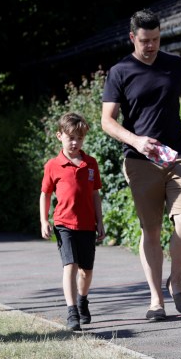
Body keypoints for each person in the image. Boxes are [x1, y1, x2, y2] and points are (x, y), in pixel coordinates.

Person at [100, 9, 181, 321]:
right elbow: (107, 121)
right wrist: (136, 141)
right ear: (132, 38)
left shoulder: (173, 65)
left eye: (156, 40)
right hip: (140, 161)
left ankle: (176, 281)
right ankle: (156, 299)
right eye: (145, 40)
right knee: (151, 230)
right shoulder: (120, 71)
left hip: (178, 156)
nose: (151, 46)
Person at [39, 112, 105, 332]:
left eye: (79, 138)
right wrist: (44, 220)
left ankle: (83, 300)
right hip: (63, 223)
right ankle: (72, 311)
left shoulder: (90, 163)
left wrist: (100, 222)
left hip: (87, 224)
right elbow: (45, 194)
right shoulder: (53, 165)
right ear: (59, 136)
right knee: (70, 265)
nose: (75, 142)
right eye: (71, 138)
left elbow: (96, 194)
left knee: (86, 270)